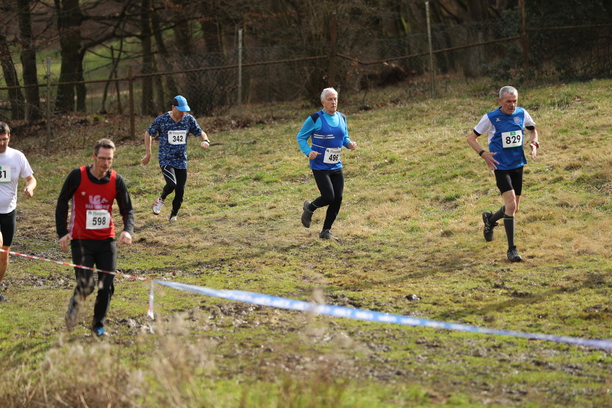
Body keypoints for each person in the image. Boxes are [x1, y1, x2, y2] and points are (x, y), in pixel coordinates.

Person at [56, 138, 134, 337]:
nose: (106, 163)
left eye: (109, 159)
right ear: (94, 157)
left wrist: (127, 230)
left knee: (106, 285)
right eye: (102, 158)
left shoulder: (116, 180)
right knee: (87, 285)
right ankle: (74, 304)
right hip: (81, 241)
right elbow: (62, 202)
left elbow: (127, 209)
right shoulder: (77, 176)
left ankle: (98, 325)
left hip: (106, 240)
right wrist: (62, 232)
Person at [467, 86, 539, 262]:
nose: (512, 105)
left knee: (514, 208)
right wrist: (483, 154)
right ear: (500, 101)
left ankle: (490, 219)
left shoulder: (522, 113)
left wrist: (534, 144)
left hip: (518, 164)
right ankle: (511, 250)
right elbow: (471, 138)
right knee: (511, 205)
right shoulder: (491, 118)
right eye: (508, 101)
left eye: (515, 101)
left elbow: (532, 130)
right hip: (500, 166)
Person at [297, 87, 357, 241]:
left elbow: (344, 137)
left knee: (338, 198)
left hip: (336, 164)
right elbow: (301, 137)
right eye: (330, 99)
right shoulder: (315, 118)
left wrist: (349, 143)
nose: (333, 102)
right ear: (323, 102)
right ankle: (309, 207)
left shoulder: (342, 117)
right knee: (329, 197)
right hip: (319, 165)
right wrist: (308, 151)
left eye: (335, 99)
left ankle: (325, 231)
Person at [141, 95, 211, 221]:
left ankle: (173, 215)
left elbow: (200, 132)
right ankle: (161, 199)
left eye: (185, 111)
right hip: (166, 158)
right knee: (172, 184)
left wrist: (205, 140)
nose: (183, 113)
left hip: (181, 159)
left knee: (180, 190)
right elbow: (148, 133)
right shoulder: (162, 120)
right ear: (173, 107)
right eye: (180, 110)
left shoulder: (188, 119)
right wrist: (148, 154)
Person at [0, 122, 37, 302]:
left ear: (9, 137)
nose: (1, 143)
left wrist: (30, 188)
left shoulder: (17, 156)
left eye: (4, 139)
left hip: (9, 212)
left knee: (4, 254)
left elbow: (31, 179)